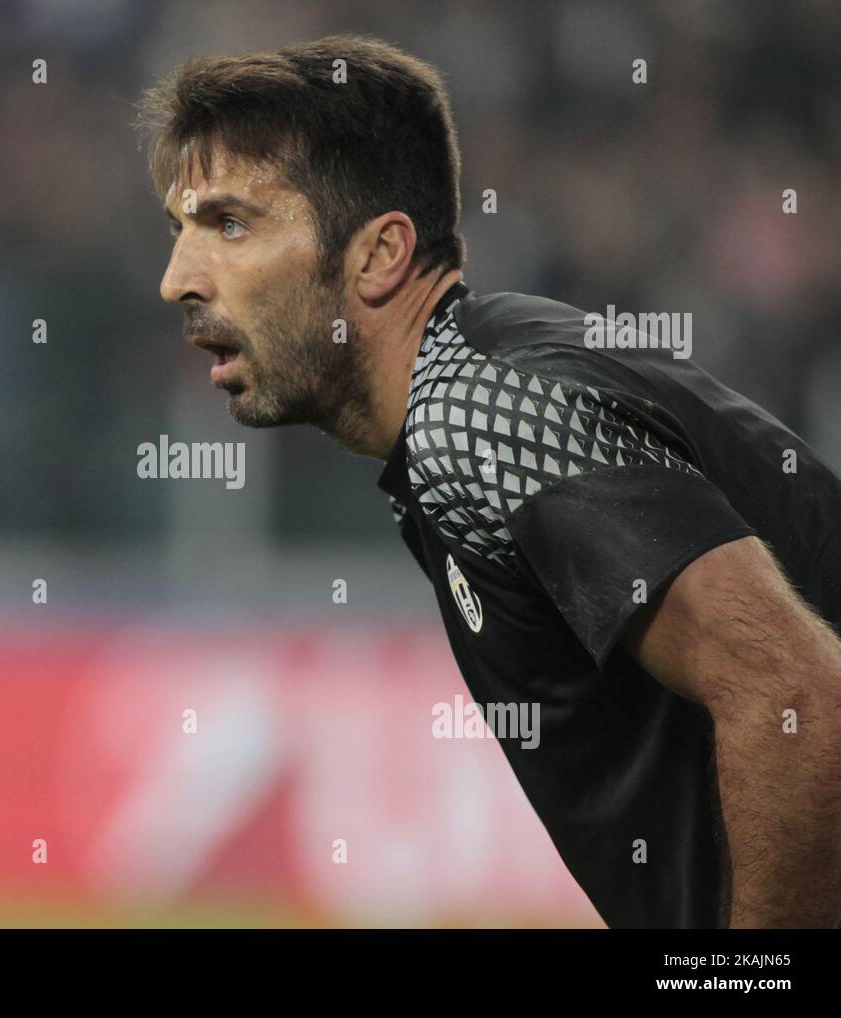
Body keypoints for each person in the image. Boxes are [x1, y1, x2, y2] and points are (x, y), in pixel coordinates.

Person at [138, 33, 841, 928]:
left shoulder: (486, 417)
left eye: (230, 224)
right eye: (181, 231)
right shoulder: (475, 389)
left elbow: (796, 695)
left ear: (379, 255)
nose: (175, 281)